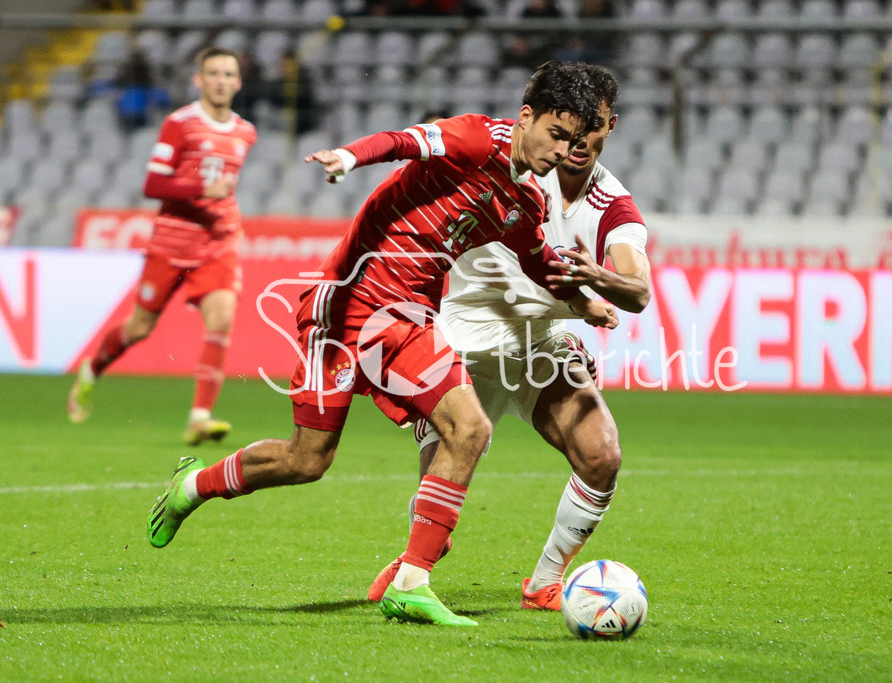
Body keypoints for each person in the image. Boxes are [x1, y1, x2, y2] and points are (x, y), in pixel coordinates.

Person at [144, 61, 617, 627]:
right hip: (347, 304)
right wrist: (349, 156)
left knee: (465, 429)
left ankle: (412, 580)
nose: (562, 150)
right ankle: (193, 486)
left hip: (406, 319)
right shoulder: (474, 138)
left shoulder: (525, 202)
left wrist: (586, 303)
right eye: (554, 134)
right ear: (526, 117)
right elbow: (403, 141)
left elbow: (537, 259)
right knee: (307, 459)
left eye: (571, 141)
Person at [365, 65, 652, 611]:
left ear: (609, 126)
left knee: (603, 455)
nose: (578, 139)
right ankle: (413, 567)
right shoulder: (518, 158)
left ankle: (545, 581)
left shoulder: (612, 204)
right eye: (570, 125)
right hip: (461, 343)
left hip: (538, 346)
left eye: (593, 125)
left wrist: (597, 280)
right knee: (438, 521)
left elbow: (636, 290)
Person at [67, 47, 257, 446]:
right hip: (171, 243)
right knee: (139, 328)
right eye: (214, 73)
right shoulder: (180, 124)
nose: (221, 81)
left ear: (238, 83)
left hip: (217, 243)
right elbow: (153, 185)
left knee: (221, 319)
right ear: (198, 80)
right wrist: (202, 189)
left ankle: (200, 417)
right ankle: (92, 369)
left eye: (228, 74)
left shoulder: (245, 132)